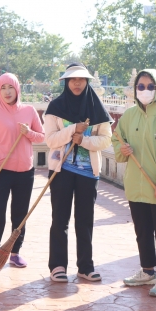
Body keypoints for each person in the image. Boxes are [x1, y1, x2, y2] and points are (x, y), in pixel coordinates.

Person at [113, 69, 156, 297]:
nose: (145, 91)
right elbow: (117, 138)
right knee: (142, 231)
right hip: (137, 185)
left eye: (150, 86)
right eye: (140, 86)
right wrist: (122, 149)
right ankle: (147, 271)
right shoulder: (129, 115)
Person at [44, 63, 113, 282]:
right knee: (60, 219)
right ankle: (57, 265)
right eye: (72, 79)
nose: (77, 83)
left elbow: (106, 140)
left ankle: (85, 266)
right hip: (61, 170)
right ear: (66, 82)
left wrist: (83, 140)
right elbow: (51, 140)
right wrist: (72, 129)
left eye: (81, 79)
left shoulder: (97, 108)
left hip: (88, 173)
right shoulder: (55, 107)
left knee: (85, 221)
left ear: (87, 82)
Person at [0, 73, 45, 267]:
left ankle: (15, 252)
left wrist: (29, 133)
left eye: (10, 87)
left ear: (17, 89)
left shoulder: (29, 111)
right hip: (1, 172)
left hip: (25, 172)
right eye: (3, 88)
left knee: (20, 214)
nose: (7, 92)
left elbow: (42, 136)